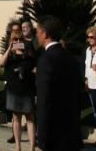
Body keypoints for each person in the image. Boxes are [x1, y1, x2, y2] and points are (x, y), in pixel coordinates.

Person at [35, 15, 82, 151]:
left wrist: (42, 136)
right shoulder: (70, 58)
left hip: (54, 133)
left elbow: (44, 100)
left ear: (45, 34)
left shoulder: (46, 60)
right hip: (71, 129)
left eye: (38, 32)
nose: (36, 35)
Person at [0, 21, 36, 151]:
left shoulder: (28, 47)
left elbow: (34, 60)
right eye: (15, 39)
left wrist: (24, 49)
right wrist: (10, 48)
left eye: (19, 38)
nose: (17, 41)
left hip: (27, 88)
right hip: (14, 88)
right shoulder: (10, 52)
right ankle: (18, 146)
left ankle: (32, 147)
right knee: (16, 117)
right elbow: (1, 63)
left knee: (30, 118)